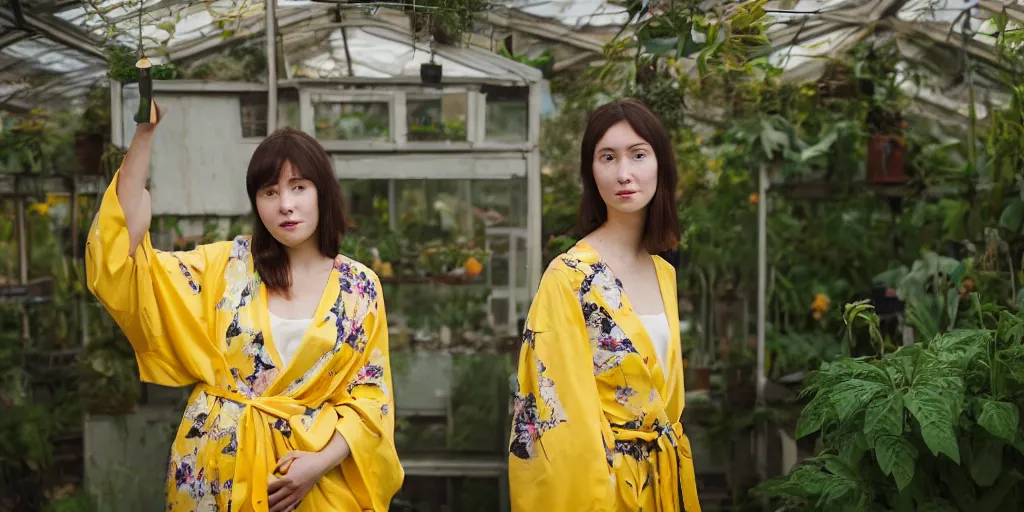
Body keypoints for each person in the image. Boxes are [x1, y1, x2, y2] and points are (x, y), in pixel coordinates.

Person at [85, 105, 403, 512]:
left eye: (299, 187)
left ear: (323, 192)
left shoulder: (359, 287)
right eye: (270, 192)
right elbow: (122, 257)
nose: (285, 205)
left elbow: (371, 397)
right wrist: (145, 134)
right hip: (216, 472)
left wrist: (318, 464)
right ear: (256, 202)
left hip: (311, 478)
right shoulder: (225, 268)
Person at [507, 99, 700, 512]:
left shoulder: (663, 273)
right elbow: (551, 415)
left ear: (660, 165)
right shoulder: (569, 277)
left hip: (663, 486)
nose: (624, 173)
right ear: (591, 172)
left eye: (638, 155)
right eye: (607, 157)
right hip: (602, 492)